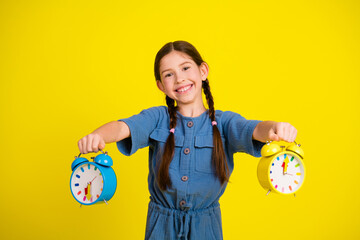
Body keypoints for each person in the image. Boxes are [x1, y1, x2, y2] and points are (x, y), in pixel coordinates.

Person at [77, 40, 298, 240]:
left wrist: (276, 128)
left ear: (203, 71)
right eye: (168, 74)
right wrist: (98, 135)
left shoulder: (224, 122)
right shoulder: (157, 118)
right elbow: (122, 127)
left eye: (185, 68)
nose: (179, 78)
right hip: (160, 225)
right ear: (161, 85)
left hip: (206, 226)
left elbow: (256, 128)